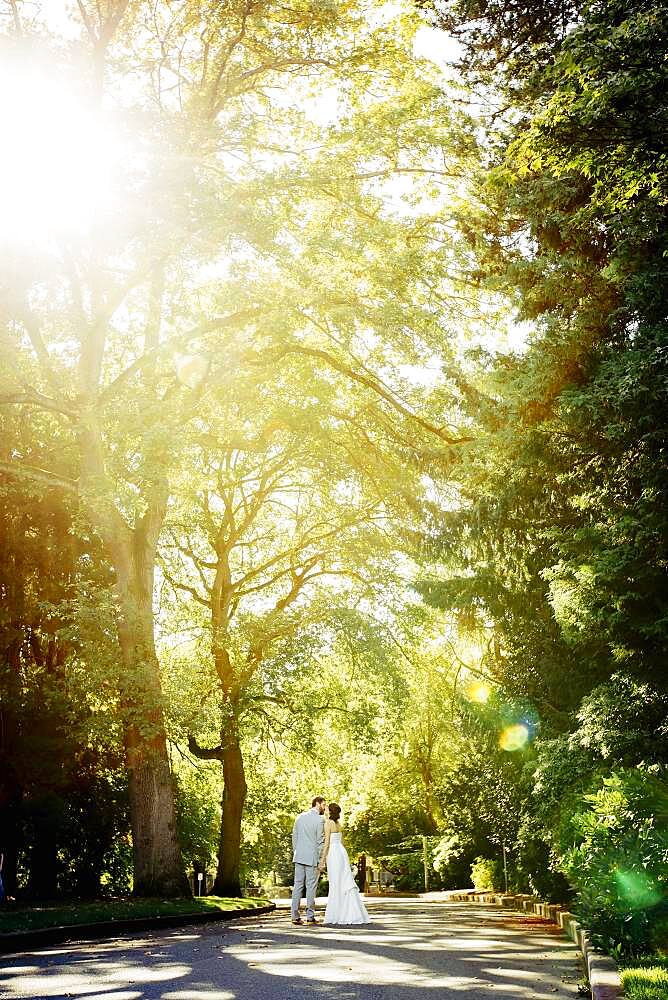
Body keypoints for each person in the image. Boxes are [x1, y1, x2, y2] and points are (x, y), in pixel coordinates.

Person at [318, 802, 370, 925]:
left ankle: (337, 914)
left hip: (334, 854)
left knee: (336, 883)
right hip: (341, 852)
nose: (324, 811)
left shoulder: (328, 823)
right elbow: (342, 842)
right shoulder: (338, 824)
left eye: (326, 809)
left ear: (330, 812)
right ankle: (350, 912)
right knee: (344, 881)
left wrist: (322, 861)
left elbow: (326, 845)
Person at [291, 796, 326, 925]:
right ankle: (310, 916)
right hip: (311, 858)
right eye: (323, 804)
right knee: (311, 887)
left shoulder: (299, 817)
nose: (324, 807)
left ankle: (294, 916)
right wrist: (320, 860)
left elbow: (295, 837)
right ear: (317, 803)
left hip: (299, 856)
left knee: (297, 886)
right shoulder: (319, 820)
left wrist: (297, 852)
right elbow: (320, 842)